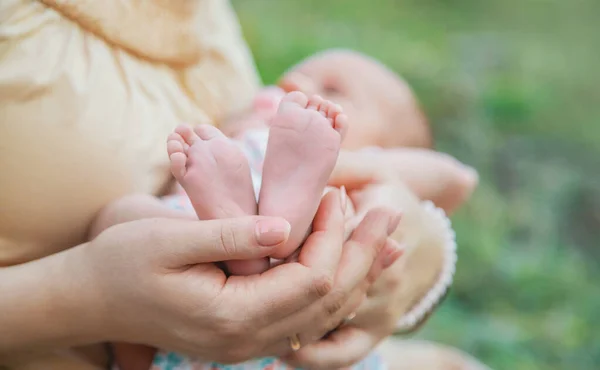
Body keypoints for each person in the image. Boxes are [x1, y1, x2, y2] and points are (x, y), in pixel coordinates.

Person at [0, 0, 483, 369]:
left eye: (333, 90)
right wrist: (89, 296)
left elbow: (452, 181)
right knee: (122, 220)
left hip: (277, 329)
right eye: (300, 74)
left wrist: (419, 241)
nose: (294, 82)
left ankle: (257, 235)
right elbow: (456, 179)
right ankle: (266, 232)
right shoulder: (257, 141)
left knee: (125, 217)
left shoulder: (360, 162)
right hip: (170, 302)